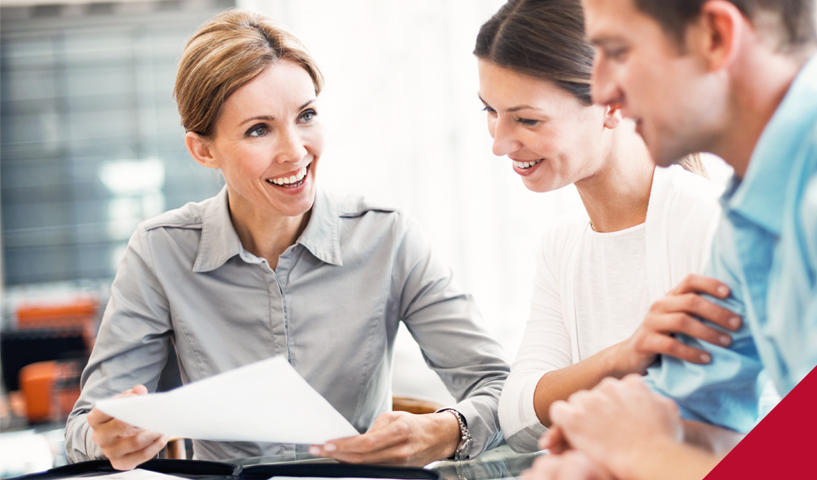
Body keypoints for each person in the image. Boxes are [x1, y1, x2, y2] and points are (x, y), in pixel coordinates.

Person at [527, 0, 817, 478]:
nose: (602, 88)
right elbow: (694, 414)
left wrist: (642, 455)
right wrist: (597, 447)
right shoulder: (748, 216)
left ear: (714, 36)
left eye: (617, 50)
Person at [64, 10, 510, 470]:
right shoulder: (160, 251)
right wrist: (112, 437)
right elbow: (85, 426)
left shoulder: (388, 237)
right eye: (259, 129)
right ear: (203, 149)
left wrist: (444, 430)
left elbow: (499, 388)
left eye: (306, 116)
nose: (295, 151)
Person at [475, 0, 760, 454]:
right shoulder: (561, 247)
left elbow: (750, 422)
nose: (499, 143)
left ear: (611, 103)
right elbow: (518, 417)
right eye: (490, 111)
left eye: (527, 119)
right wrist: (625, 356)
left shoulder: (708, 226)